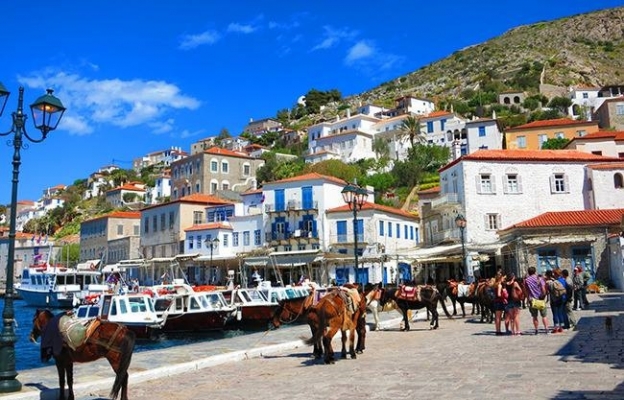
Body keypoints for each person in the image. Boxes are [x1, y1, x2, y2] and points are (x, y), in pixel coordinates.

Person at [524, 266, 549, 335]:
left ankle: (536, 330)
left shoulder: (526, 280)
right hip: (540, 299)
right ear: (535, 271)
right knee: (544, 315)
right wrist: (543, 296)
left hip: (532, 300)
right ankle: (546, 329)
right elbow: (543, 289)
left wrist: (527, 299)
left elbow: (526, 291)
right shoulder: (539, 279)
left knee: (535, 316)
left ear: (528, 272)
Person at [545, 269, 566, 333]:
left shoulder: (549, 282)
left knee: (555, 314)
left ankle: (556, 328)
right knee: (560, 313)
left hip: (554, 299)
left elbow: (547, 291)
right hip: (561, 298)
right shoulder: (561, 280)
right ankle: (561, 327)